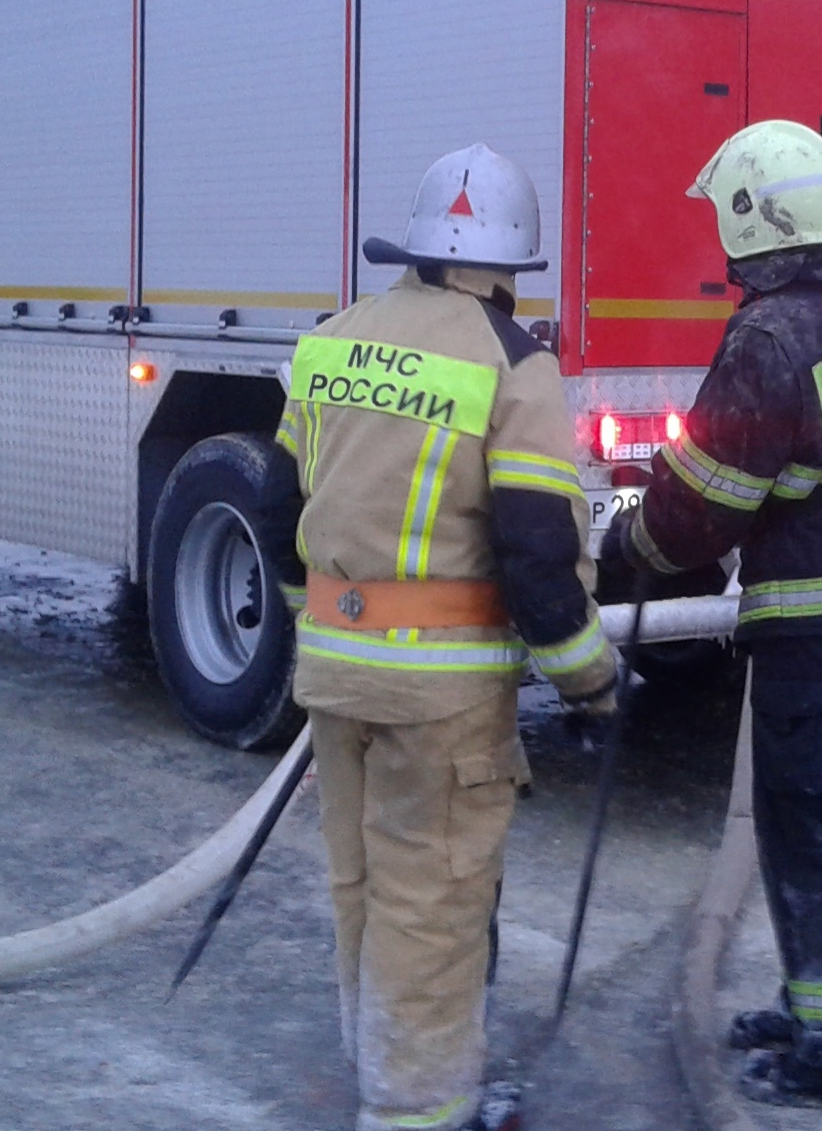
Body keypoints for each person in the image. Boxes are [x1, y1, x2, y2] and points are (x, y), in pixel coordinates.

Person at [257, 143, 618, 1131]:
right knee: (434, 900)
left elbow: (278, 501)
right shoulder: (513, 363)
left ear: (417, 246)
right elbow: (538, 557)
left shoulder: (334, 338)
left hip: (334, 675)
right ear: (509, 267)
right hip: (443, 697)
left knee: (360, 883)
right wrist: (591, 685)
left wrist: (321, 632)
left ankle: (375, 1067)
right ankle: (418, 1108)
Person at [600, 120, 822, 1113]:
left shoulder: (768, 338)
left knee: (813, 825)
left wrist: (629, 551)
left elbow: (701, 505)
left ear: (753, 219)